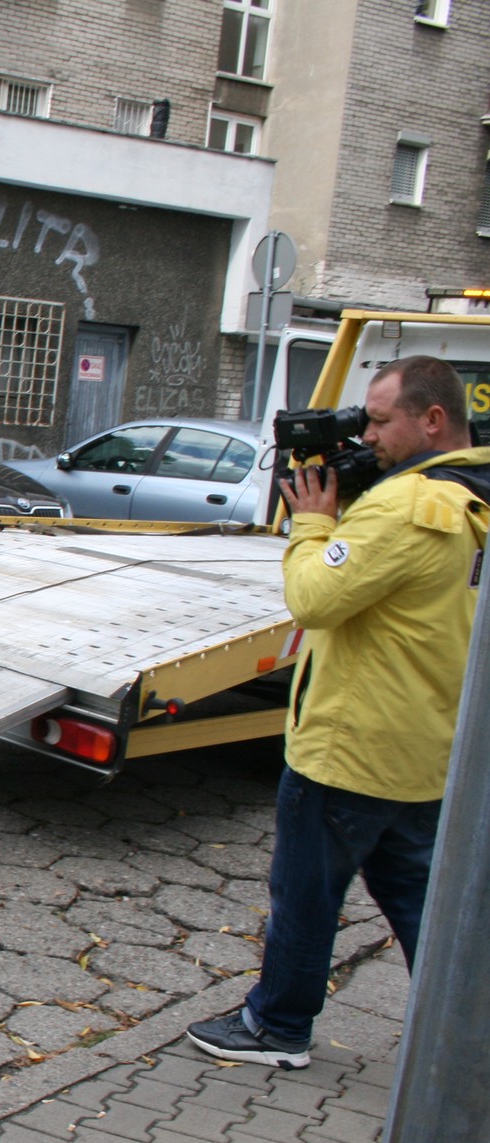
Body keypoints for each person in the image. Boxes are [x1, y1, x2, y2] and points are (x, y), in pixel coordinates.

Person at [188, 355, 490, 1070]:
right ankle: (462, 1031)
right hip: (423, 745)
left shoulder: (406, 506)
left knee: (305, 894)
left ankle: (277, 1026)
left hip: (351, 747)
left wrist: (315, 524)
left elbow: (315, 599)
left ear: (433, 419)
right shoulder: (472, 497)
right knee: (416, 898)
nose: (369, 435)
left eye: (381, 420)